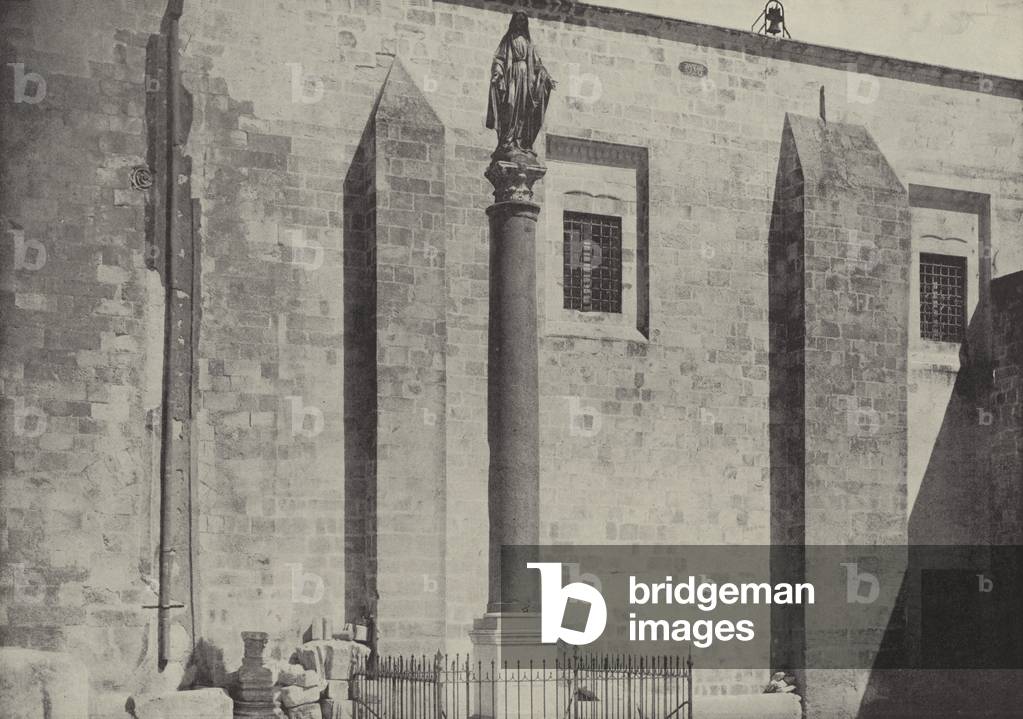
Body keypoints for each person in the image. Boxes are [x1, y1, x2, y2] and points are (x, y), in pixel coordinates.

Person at [486, 12, 556, 160]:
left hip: (527, 80)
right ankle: (507, 141)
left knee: (524, 111)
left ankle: (520, 142)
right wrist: (498, 73)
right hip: (513, 76)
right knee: (510, 106)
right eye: (518, 20)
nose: (521, 23)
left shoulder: (529, 43)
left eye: (523, 21)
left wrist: (547, 77)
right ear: (514, 22)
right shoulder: (508, 40)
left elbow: (538, 65)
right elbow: (499, 59)